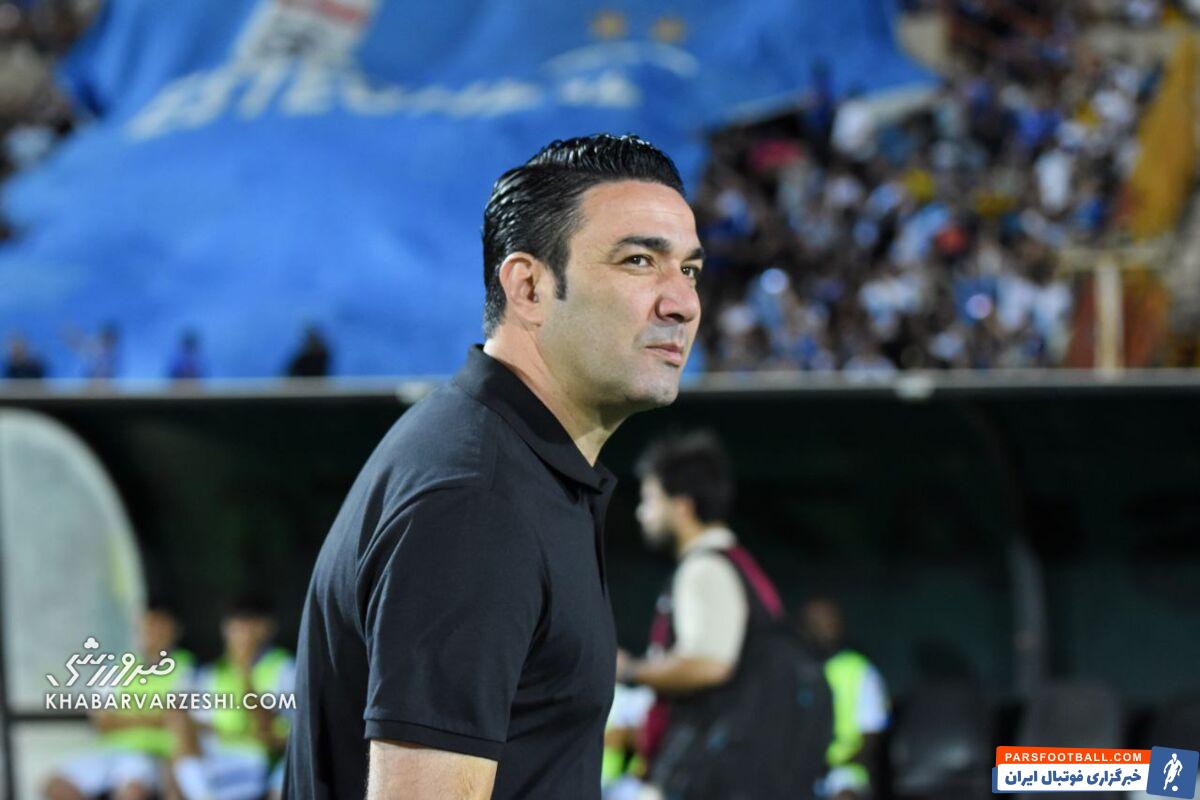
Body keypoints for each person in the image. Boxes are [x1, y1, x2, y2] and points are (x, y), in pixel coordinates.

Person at [284, 133, 702, 800]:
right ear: (528, 287)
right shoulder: (477, 500)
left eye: (689, 270)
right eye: (638, 261)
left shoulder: (509, 466)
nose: (681, 302)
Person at [624, 431, 829, 799]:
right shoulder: (739, 565)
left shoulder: (705, 569)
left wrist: (630, 670)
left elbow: (709, 665)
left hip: (712, 776)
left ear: (682, 506)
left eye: (650, 499)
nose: (642, 513)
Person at [43, 604, 196, 800]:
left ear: (174, 631)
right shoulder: (120, 666)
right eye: (147, 626)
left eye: (159, 627)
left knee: (131, 792)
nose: (152, 633)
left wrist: (122, 716)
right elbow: (101, 721)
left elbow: (174, 718)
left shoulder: (185, 668)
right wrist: (150, 716)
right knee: (55, 784)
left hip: (150, 754)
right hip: (110, 751)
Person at [168, 595, 294, 800]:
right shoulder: (213, 672)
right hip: (220, 756)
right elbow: (203, 724)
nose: (240, 635)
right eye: (235, 627)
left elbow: (267, 730)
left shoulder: (284, 668)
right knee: (178, 747)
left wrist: (245, 672)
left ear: (266, 629)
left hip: (260, 760)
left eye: (248, 626)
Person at [799, 597, 891, 800]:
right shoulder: (791, 669)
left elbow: (872, 738)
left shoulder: (858, 670)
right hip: (795, 770)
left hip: (844, 769)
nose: (823, 629)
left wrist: (831, 765)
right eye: (814, 623)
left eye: (829, 622)